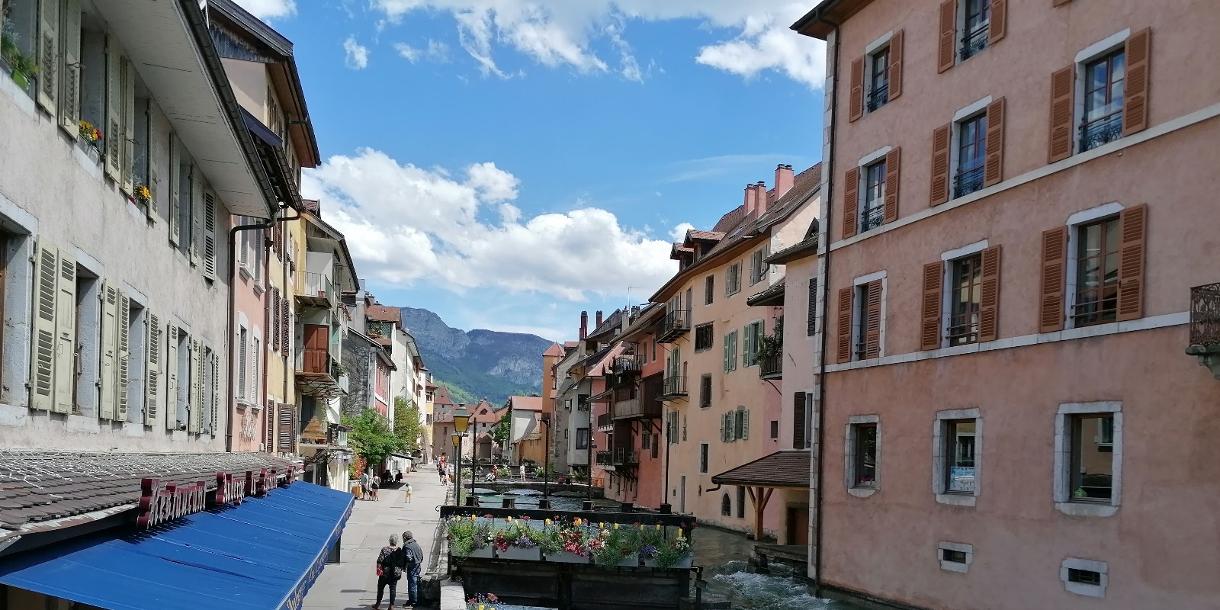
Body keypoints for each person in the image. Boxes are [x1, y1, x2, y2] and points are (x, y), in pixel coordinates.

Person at [372, 534, 403, 610]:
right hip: (394, 573)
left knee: (380, 588)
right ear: (396, 541)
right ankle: (391, 606)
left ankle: (378, 604)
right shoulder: (399, 550)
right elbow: (401, 562)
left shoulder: (384, 549)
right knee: (393, 589)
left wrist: (379, 570)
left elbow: (380, 560)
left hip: (384, 573)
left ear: (389, 541)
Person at [399, 530, 424, 609]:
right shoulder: (416, 544)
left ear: (405, 538)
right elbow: (421, 554)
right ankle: (414, 599)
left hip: (412, 567)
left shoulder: (407, 546)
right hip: (418, 566)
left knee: (412, 584)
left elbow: (409, 557)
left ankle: (413, 601)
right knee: (416, 582)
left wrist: (405, 565)